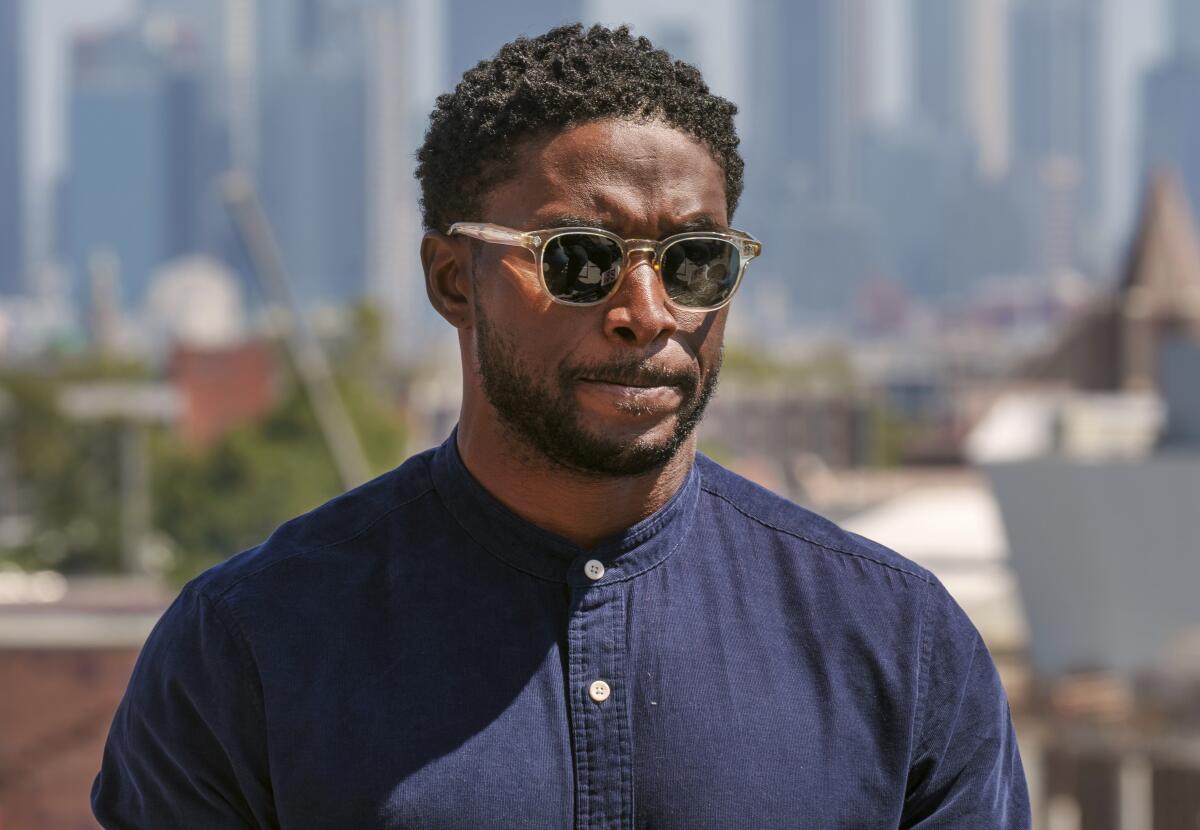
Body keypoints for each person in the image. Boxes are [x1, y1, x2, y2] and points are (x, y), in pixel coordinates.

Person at [92, 23, 1030, 829]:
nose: (649, 312)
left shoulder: (896, 642)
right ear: (453, 279)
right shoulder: (252, 647)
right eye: (579, 259)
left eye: (696, 261)